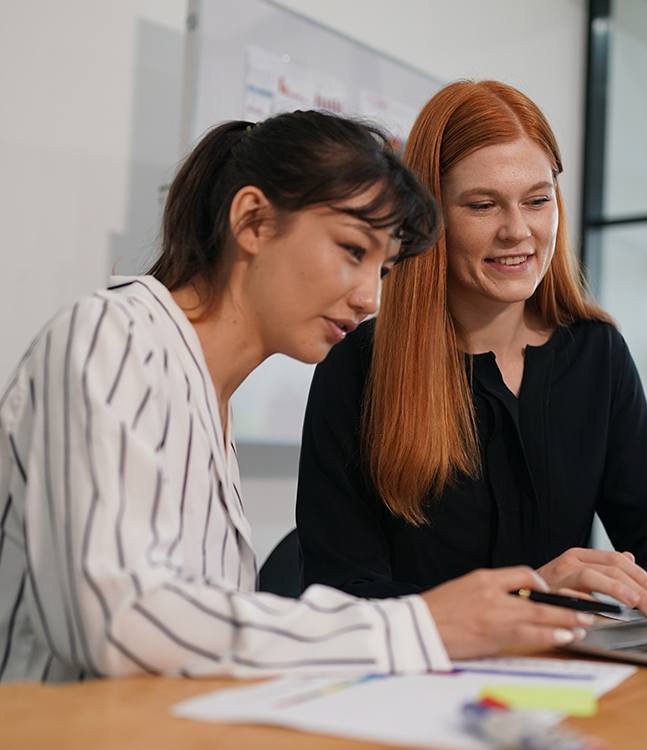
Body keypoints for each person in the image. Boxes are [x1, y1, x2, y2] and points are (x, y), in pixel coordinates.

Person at [0, 110, 595, 683]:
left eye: (383, 270)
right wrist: (416, 626)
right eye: (353, 251)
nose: (371, 299)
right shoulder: (116, 336)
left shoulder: (206, 394)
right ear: (253, 222)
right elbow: (115, 621)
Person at [297, 80, 647, 628]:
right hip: (420, 686)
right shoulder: (357, 369)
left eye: (537, 200)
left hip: (569, 677)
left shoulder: (596, 354)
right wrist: (527, 595)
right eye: (483, 205)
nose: (518, 231)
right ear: (429, 217)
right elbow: (342, 598)